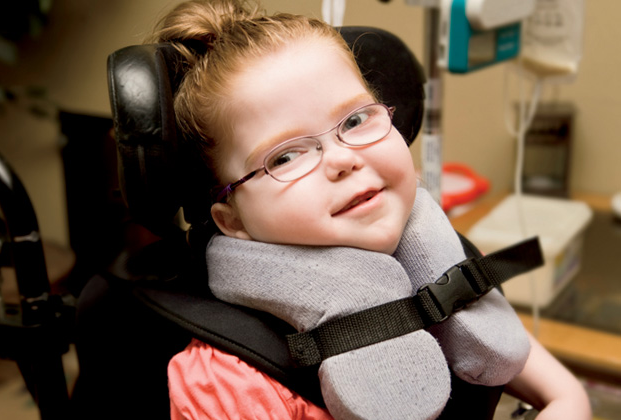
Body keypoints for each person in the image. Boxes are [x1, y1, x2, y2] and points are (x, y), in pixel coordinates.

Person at [151, 0, 592, 418]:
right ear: (233, 221)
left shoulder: (436, 259)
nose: (343, 160)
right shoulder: (227, 379)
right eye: (285, 156)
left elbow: (564, 392)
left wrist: (568, 403)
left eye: (356, 120)